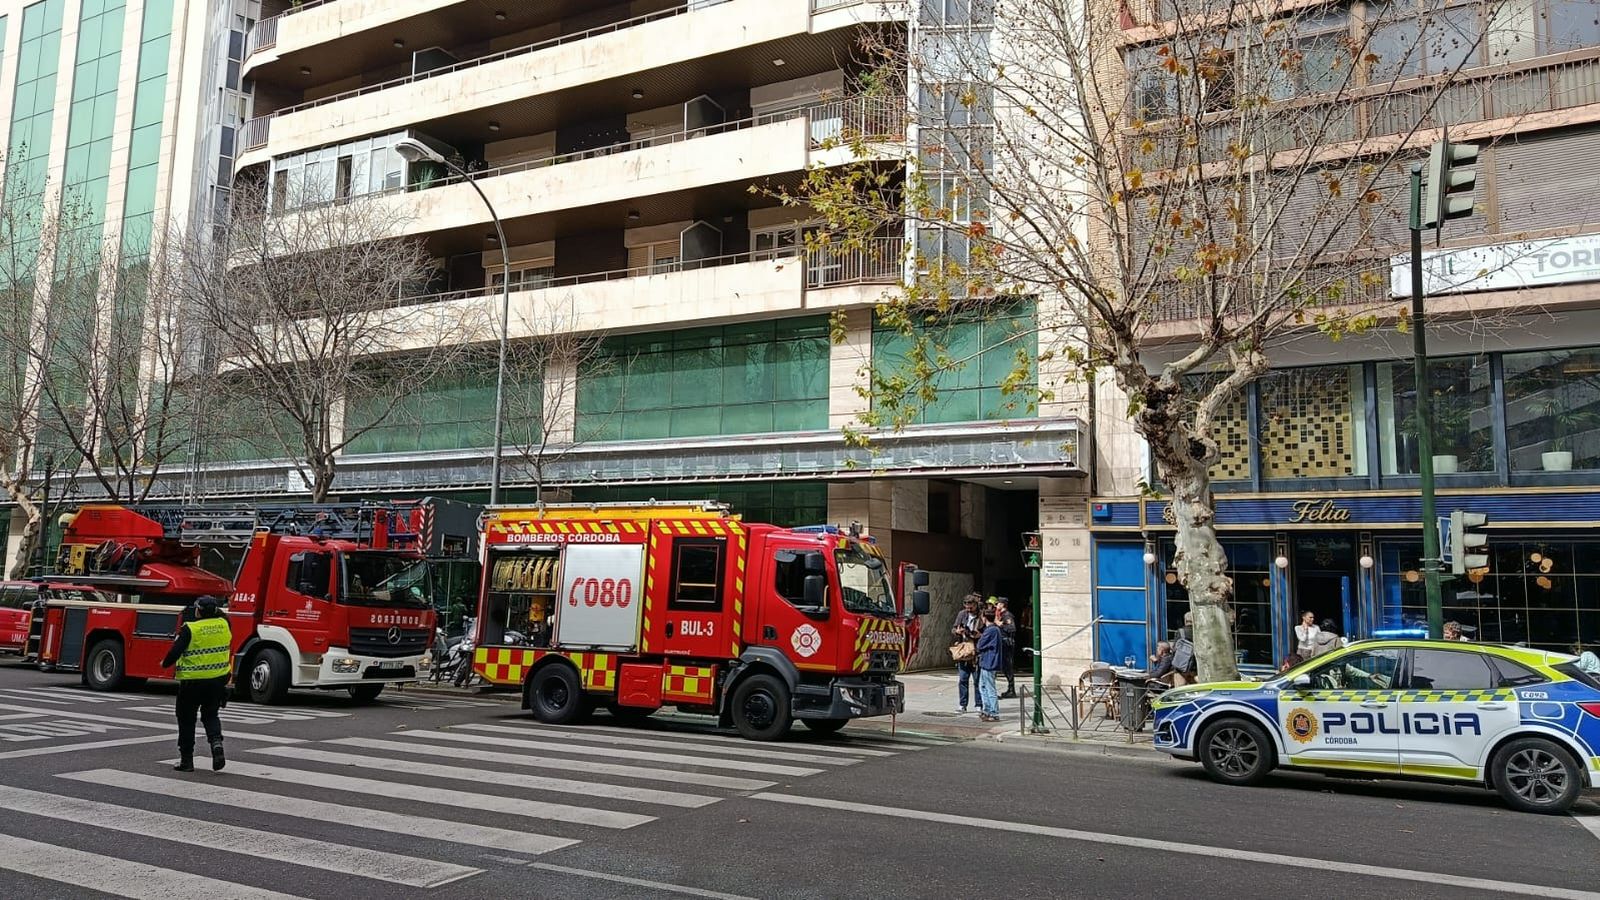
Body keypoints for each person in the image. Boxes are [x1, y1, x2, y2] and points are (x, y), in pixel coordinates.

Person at [161, 595, 232, 772]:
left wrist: (164, 663)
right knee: (210, 715)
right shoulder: (224, 625)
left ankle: (187, 761)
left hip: (192, 683)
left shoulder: (190, 628)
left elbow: (175, 652)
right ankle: (216, 744)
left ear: (198, 610)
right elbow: (223, 616)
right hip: (217, 680)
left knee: (186, 719)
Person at [951, 593, 984, 713]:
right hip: (964, 651)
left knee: (977, 680)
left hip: (976, 652)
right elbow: (954, 629)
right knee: (963, 679)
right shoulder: (962, 614)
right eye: (966, 606)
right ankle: (962, 704)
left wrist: (973, 633)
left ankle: (979, 704)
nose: (968, 609)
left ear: (975, 605)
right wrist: (958, 631)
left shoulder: (981, 615)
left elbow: (983, 632)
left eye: (971, 606)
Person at [976, 608, 1004, 722]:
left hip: (989, 662)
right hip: (987, 662)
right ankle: (987, 710)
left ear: (984, 618)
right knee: (982, 686)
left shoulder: (990, 630)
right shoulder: (995, 629)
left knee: (989, 687)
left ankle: (994, 712)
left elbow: (980, 645)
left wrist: (980, 637)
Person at [995, 598, 1018, 698]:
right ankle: (1010, 689)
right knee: (1004, 667)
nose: (996, 605)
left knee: (1008, 666)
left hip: (1007, 643)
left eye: (998, 603)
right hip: (1002, 643)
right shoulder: (1001, 615)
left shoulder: (1007, 615)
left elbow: (1012, 629)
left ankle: (1011, 690)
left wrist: (1000, 625)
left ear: (1003, 604)